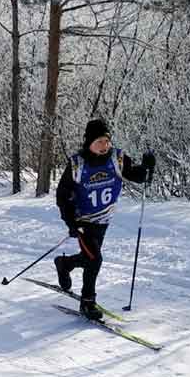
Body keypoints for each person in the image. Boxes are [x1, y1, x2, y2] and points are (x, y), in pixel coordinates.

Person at [54, 118, 156, 320]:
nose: (104, 146)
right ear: (89, 142)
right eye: (99, 142)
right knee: (95, 259)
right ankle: (88, 302)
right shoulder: (77, 164)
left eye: (106, 141)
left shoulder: (116, 159)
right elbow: (62, 196)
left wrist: (146, 168)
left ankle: (64, 264)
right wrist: (70, 222)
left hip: (103, 220)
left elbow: (135, 175)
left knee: (89, 258)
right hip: (83, 220)